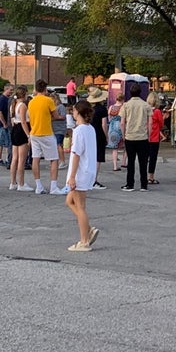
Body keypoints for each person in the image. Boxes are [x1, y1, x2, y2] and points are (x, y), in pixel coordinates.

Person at [64, 100, 101, 252]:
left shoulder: (79, 130)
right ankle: (87, 228)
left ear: (78, 113)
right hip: (88, 169)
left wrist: (72, 176)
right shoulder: (90, 128)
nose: (72, 113)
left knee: (80, 206)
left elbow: (77, 154)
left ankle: (84, 240)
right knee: (69, 201)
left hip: (81, 171)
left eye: (74, 111)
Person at [27, 80, 67, 195]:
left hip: (34, 132)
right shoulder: (48, 100)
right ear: (45, 89)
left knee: (36, 158)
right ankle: (53, 186)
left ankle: (38, 185)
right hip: (46, 132)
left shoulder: (31, 102)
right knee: (54, 159)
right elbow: (55, 116)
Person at [119, 82, 153, 192]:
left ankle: (130, 184)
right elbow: (150, 122)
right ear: (140, 92)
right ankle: (144, 184)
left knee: (131, 161)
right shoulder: (146, 105)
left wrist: (123, 134)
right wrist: (149, 134)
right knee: (143, 162)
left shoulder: (126, 105)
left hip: (130, 136)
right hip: (142, 136)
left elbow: (122, 122)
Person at [8, 86, 31, 191]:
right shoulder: (22, 106)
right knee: (22, 159)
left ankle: (13, 182)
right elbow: (23, 121)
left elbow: (13, 119)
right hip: (21, 130)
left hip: (15, 129)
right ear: (24, 94)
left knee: (15, 158)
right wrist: (28, 135)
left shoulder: (13, 105)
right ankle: (21, 183)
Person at [86, 86, 109, 189]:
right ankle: (94, 180)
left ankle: (87, 179)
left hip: (89, 133)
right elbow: (104, 124)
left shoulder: (89, 109)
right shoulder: (102, 109)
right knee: (98, 158)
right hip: (99, 134)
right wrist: (106, 136)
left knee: (89, 157)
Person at [146, 93, 164, 185]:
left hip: (144, 136)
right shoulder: (157, 111)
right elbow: (161, 124)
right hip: (154, 137)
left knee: (145, 158)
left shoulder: (145, 110)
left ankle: (144, 175)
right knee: (153, 158)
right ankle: (151, 177)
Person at [0, 85, 12, 167]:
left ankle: (7, 158)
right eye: (10, 90)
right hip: (2, 125)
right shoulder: (2, 99)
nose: (11, 91)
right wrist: (4, 123)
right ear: (6, 89)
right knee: (2, 142)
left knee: (6, 142)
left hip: (5, 124)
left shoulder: (7, 99)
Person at [105, 95, 124, 171]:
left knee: (114, 148)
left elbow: (109, 118)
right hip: (119, 126)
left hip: (112, 128)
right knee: (124, 146)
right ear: (122, 99)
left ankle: (115, 166)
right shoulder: (122, 107)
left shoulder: (111, 107)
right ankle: (124, 162)